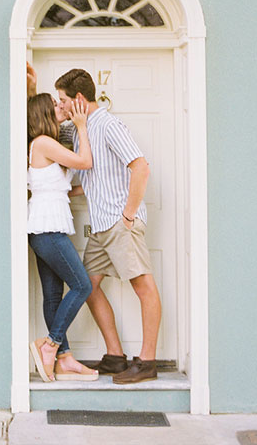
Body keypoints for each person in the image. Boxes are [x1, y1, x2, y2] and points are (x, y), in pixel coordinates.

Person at [53, 67, 162, 385]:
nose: (59, 105)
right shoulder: (80, 129)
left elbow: (141, 168)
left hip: (119, 221)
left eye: (62, 100)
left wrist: (128, 216)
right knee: (87, 286)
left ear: (78, 98)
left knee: (143, 287)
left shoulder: (109, 124)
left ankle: (148, 362)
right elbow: (91, 181)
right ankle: (115, 356)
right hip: (100, 227)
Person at [26, 91, 99, 383]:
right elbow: (85, 162)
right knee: (82, 285)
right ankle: (51, 344)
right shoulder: (43, 143)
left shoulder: (46, 145)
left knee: (54, 295)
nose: (60, 107)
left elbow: (63, 188)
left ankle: (64, 359)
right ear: (43, 112)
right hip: (47, 229)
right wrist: (81, 124)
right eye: (54, 105)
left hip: (47, 227)